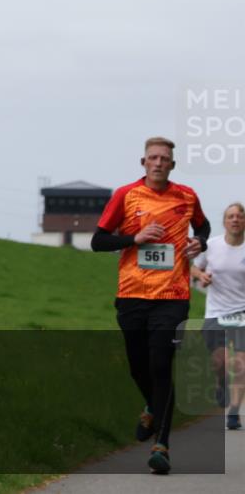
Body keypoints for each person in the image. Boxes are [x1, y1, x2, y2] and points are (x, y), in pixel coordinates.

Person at [91, 136, 211, 475]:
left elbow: (202, 225)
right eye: (153, 158)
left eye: (164, 159)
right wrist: (135, 239)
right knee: (138, 365)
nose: (158, 163)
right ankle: (152, 407)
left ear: (173, 164)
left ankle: (162, 445)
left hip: (173, 296)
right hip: (132, 295)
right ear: (143, 163)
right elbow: (98, 241)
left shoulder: (186, 196)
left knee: (161, 363)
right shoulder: (125, 195)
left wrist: (198, 242)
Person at [190, 202, 245, 430]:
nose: (235, 220)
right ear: (224, 222)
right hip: (216, 313)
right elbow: (192, 267)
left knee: (240, 364)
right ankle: (222, 384)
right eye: (231, 216)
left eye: (240, 217)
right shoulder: (211, 246)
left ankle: (233, 412)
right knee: (220, 362)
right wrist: (201, 275)